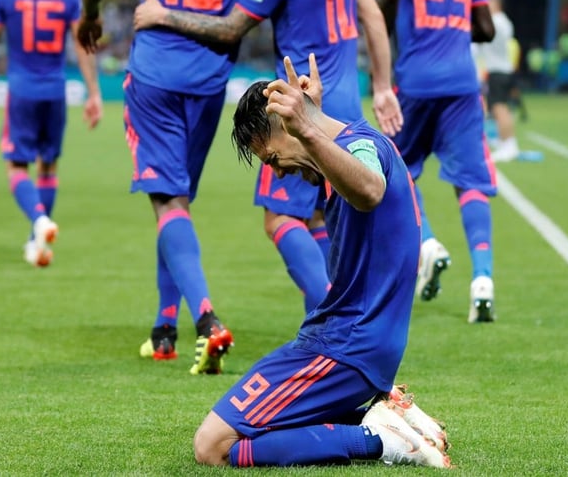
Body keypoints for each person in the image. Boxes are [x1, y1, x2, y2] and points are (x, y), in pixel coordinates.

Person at [76, 0, 348, 374]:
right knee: (176, 203)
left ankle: (205, 319)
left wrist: (89, 16)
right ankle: (163, 329)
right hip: (205, 84)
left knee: (168, 203)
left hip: (153, 76)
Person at [131, 0, 401, 316]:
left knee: (280, 219)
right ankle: (341, 309)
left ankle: (330, 316)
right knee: (320, 217)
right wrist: (383, 86)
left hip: (302, 106)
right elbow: (372, 17)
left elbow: (230, 28)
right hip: (346, 108)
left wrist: (163, 15)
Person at [192, 55, 448, 468]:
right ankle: (383, 417)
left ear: (289, 125)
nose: (277, 173)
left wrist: (309, 128)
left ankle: (380, 440)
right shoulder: (343, 154)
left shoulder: (361, 146)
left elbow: (370, 189)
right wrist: (313, 121)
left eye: (271, 159)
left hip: (346, 347)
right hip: (353, 344)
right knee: (256, 429)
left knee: (212, 446)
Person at [374, 0, 498, 322]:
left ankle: (427, 243)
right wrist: (453, 25)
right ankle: (483, 279)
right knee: (471, 182)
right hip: (462, 84)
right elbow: (486, 29)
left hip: (416, 81)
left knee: (398, 169)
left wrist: (385, 31)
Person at [0, 0, 103, 268]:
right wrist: (94, 92)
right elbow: (82, 44)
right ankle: (36, 242)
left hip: (22, 91)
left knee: (16, 166)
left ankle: (39, 221)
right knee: (48, 165)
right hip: (55, 91)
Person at [477, 0, 519, 163]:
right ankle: (506, 142)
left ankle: (508, 145)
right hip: (502, 70)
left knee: (499, 108)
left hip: (498, 71)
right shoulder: (503, 21)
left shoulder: (497, 21)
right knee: (501, 109)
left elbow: (481, 34)